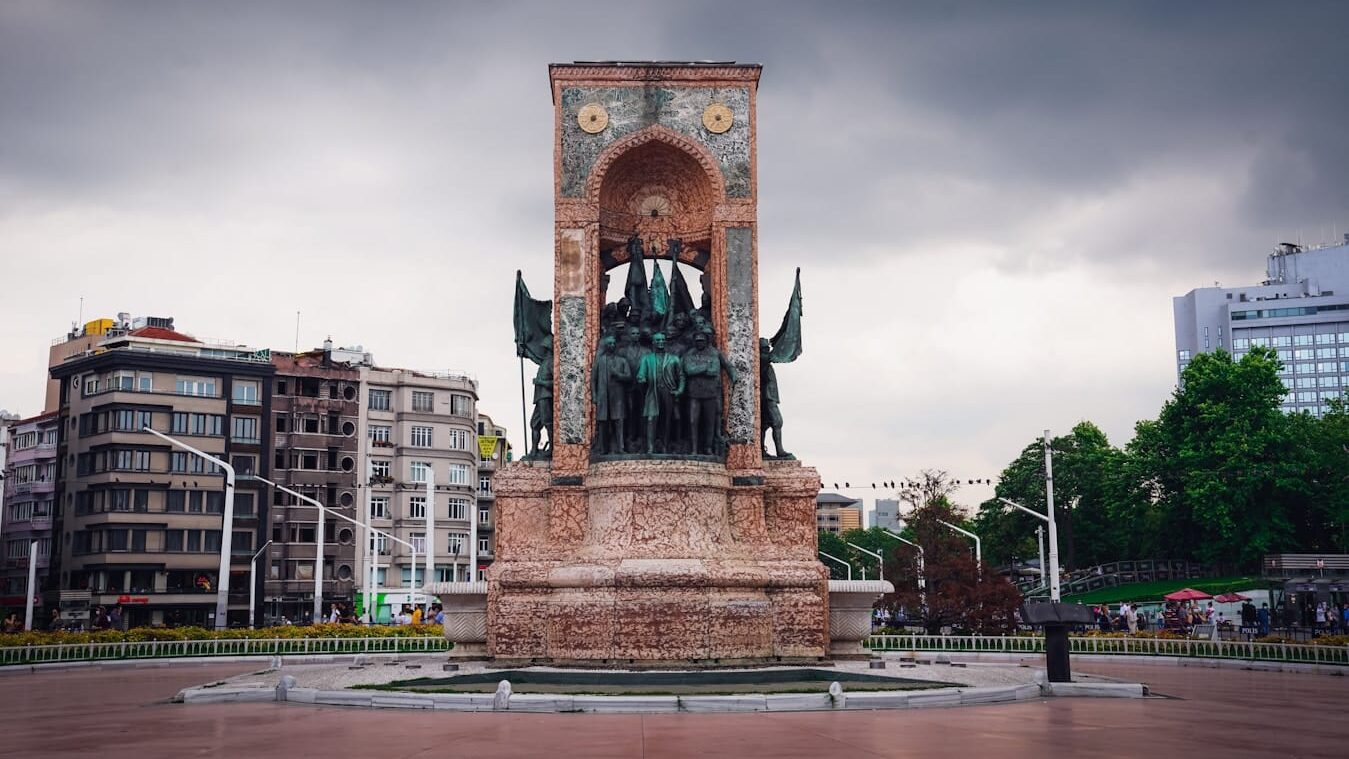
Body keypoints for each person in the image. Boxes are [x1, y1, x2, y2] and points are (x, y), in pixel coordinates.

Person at [636, 333, 685, 454]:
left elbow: (681, 376)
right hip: (653, 391)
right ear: (653, 342)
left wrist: (680, 390)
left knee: (667, 420)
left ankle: (665, 445)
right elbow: (641, 373)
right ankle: (650, 447)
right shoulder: (647, 358)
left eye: (663, 340)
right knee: (651, 418)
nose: (661, 342)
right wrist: (641, 378)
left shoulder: (674, 359)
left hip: (668, 392)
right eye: (658, 340)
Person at [591, 335, 631, 454]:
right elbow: (594, 379)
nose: (612, 346)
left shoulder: (622, 361)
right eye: (609, 344)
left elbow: (628, 376)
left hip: (617, 396)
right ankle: (603, 449)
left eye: (614, 344)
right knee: (603, 423)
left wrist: (618, 375)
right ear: (606, 346)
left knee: (619, 421)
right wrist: (594, 395)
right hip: (603, 396)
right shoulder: (600, 361)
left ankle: (621, 448)